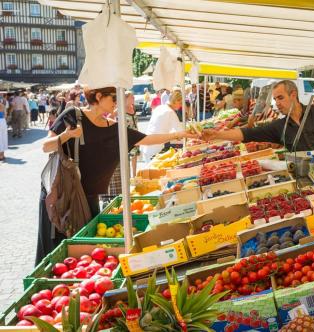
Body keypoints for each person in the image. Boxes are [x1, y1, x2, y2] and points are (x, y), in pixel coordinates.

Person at [37, 87, 196, 264]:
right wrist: (67, 135)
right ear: (98, 96)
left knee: (83, 256)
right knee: (56, 254)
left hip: (88, 200)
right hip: (63, 197)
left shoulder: (114, 128)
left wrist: (180, 134)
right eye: (114, 98)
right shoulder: (73, 115)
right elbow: (46, 146)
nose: (117, 103)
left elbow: (146, 139)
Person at [202, 80, 314, 153]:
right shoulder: (279, 127)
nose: (277, 103)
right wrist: (218, 134)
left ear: (293, 95)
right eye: (275, 99)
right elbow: (247, 133)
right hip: (308, 177)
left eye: (280, 98)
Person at [108, 91, 140, 195]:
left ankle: (133, 177)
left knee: (135, 156)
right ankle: (128, 178)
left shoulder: (132, 107)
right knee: (128, 157)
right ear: (126, 98)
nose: (134, 98)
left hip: (135, 135)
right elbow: (109, 116)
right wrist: (114, 126)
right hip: (126, 136)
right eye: (132, 97)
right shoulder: (120, 109)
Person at [141, 90, 184, 161]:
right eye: (180, 103)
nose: (181, 105)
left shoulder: (160, 107)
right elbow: (180, 133)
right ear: (175, 101)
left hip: (147, 145)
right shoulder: (170, 112)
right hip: (155, 148)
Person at [0, 94, 8, 161]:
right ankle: (2, 155)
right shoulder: (3, 105)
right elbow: (5, 115)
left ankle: (1, 156)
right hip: (2, 121)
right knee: (3, 137)